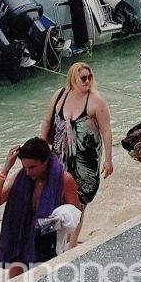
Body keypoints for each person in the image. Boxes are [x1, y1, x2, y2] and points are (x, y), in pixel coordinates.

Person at [39, 63, 112, 248]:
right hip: (59, 157)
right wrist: (40, 147)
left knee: (79, 201)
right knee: (55, 196)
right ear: (73, 79)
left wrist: (108, 160)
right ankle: (53, 240)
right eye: (83, 78)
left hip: (86, 161)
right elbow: (46, 122)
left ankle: (71, 243)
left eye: (89, 77)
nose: (87, 81)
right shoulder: (59, 96)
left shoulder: (96, 100)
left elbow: (106, 131)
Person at [0, 138, 79, 278]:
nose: (28, 172)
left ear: (45, 161)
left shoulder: (64, 180)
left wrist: (46, 225)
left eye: (32, 167)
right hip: (21, 244)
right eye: (25, 167)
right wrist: (6, 169)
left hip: (49, 246)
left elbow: (75, 216)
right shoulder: (20, 178)